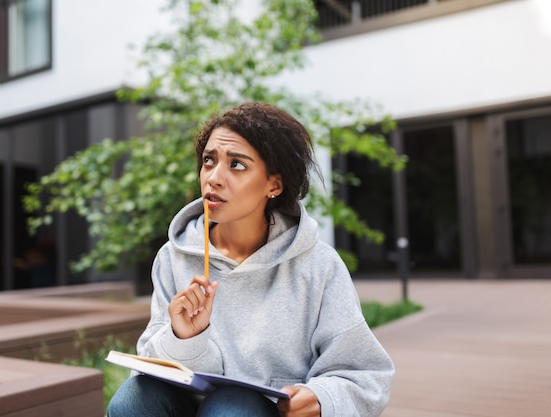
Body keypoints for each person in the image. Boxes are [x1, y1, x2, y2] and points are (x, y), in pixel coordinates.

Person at [107, 102, 394, 417]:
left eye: (237, 165)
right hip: (187, 408)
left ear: (274, 184)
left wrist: (322, 397)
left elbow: (366, 374)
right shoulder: (173, 257)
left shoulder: (318, 266)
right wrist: (184, 338)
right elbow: (150, 370)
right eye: (208, 161)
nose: (214, 178)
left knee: (231, 409)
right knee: (133, 399)